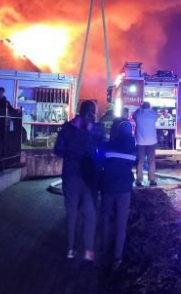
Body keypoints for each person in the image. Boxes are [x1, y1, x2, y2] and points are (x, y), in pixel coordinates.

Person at [54, 100, 99, 262]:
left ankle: (70, 249)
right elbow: (101, 149)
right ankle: (88, 250)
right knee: (90, 214)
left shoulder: (67, 128)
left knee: (72, 213)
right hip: (88, 177)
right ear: (93, 111)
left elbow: (58, 150)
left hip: (70, 175)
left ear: (80, 110)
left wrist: (72, 153)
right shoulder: (95, 129)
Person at [100, 119, 136, 269]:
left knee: (106, 219)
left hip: (108, 186)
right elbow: (135, 162)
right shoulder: (132, 149)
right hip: (124, 189)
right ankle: (117, 257)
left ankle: (104, 251)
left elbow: (99, 162)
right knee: (121, 222)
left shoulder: (107, 146)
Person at [133, 101, 158, 187]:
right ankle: (152, 180)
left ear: (142, 107)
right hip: (152, 141)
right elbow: (157, 115)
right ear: (149, 106)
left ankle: (139, 181)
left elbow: (133, 115)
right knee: (151, 161)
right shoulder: (153, 114)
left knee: (140, 161)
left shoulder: (138, 115)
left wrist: (139, 109)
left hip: (140, 142)